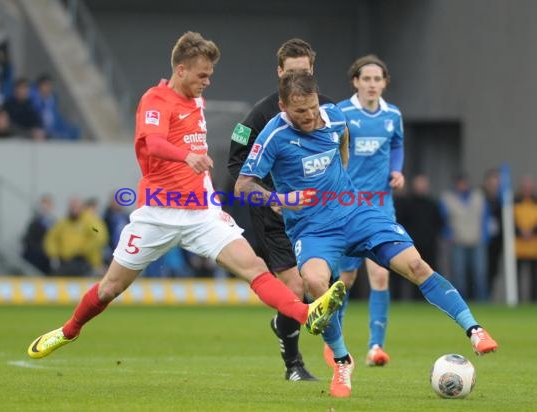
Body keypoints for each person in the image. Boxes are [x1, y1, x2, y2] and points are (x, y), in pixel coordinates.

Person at [27, 32, 345, 362]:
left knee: (254, 266)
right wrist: (185, 157)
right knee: (110, 288)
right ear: (181, 70)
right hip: (157, 214)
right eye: (202, 75)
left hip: (201, 211)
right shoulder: (155, 100)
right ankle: (68, 331)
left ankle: (306, 314)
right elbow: (152, 142)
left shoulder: (196, 99)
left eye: (210, 74)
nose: (208, 81)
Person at [235, 70, 498, 398]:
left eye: (313, 107)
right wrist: (279, 198)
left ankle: (474, 329)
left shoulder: (332, 116)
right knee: (316, 283)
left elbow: (343, 137)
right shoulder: (273, 134)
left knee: (415, 265)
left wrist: (342, 172)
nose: (309, 116)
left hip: (355, 213)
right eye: (300, 111)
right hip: (313, 229)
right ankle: (343, 362)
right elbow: (243, 185)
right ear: (283, 106)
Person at [227, 38, 334, 382]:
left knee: (323, 282)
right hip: (276, 215)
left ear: (312, 71)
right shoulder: (258, 115)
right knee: (295, 288)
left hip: (319, 216)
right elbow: (235, 162)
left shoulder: (330, 110)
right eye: (291, 73)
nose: (297, 79)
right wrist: (274, 198)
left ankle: (290, 325)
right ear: (279, 73)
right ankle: (294, 367)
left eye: (303, 72)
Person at [332, 55, 404, 367]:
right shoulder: (342, 113)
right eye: (367, 79)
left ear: (384, 82)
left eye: (378, 79)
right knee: (346, 279)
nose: (372, 84)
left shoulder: (393, 115)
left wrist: (397, 171)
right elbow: (329, 149)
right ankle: (335, 342)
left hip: (381, 204)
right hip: (349, 205)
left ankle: (376, 347)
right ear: (356, 82)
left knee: (380, 275)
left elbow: (397, 145)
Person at [440, 173, 490, 301]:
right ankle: (460, 301)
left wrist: (485, 236)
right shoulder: (447, 198)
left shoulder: (478, 197)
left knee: (480, 273)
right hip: (458, 240)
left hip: (476, 239)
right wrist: (448, 234)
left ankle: (482, 301)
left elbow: (485, 218)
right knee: (458, 273)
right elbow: (443, 219)